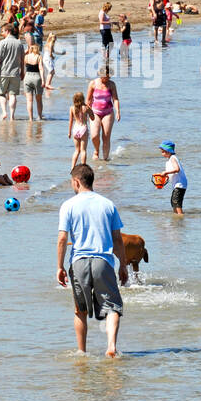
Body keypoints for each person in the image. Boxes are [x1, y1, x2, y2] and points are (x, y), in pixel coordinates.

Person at [56, 163, 128, 357]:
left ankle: (82, 351)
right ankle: (111, 346)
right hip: (103, 261)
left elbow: (62, 239)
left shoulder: (68, 205)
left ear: (76, 182)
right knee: (112, 307)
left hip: (79, 261)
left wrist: (60, 267)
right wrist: (122, 264)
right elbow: (117, 239)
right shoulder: (107, 204)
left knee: (80, 309)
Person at [86, 65, 121, 162]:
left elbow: (115, 99)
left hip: (108, 113)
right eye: (105, 76)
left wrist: (118, 111)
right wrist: (85, 113)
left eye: (108, 77)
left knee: (106, 136)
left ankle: (105, 159)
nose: (106, 79)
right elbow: (88, 101)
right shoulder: (93, 83)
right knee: (94, 135)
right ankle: (96, 151)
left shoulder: (111, 84)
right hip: (95, 112)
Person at [0, 23, 25, 121]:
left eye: (2, 31)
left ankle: (4, 112)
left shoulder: (2, 43)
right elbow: (22, 59)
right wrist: (22, 71)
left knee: (1, 93)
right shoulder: (19, 43)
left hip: (3, 72)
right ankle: (12, 116)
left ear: (7, 31)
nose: (1, 33)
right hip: (15, 72)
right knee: (13, 95)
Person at [155, 140, 187, 215]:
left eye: (163, 152)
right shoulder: (168, 161)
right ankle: (176, 216)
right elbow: (169, 175)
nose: (162, 154)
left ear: (168, 151)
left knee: (176, 202)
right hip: (176, 185)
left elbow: (177, 169)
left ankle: (180, 216)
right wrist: (160, 183)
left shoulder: (173, 158)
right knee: (173, 202)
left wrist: (166, 172)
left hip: (180, 184)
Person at [22, 42, 47, 120]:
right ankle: (39, 117)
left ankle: (30, 118)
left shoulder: (26, 57)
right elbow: (41, 69)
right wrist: (43, 80)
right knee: (39, 100)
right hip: (37, 77)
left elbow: (24, 67)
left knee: (29, 100)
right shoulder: (39, 57)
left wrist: (23, 76)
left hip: (27, 77)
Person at [68, 91, 91, 169]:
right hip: (83, 128)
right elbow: (93, 117)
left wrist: (69, 133)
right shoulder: (86, 107)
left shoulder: (72, 108)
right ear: (83, 99)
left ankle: (72, 167)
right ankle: (83, 168)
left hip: (75, 129)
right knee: (83, 150)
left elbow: (70, 121)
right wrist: (89, 110)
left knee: (77, 150)